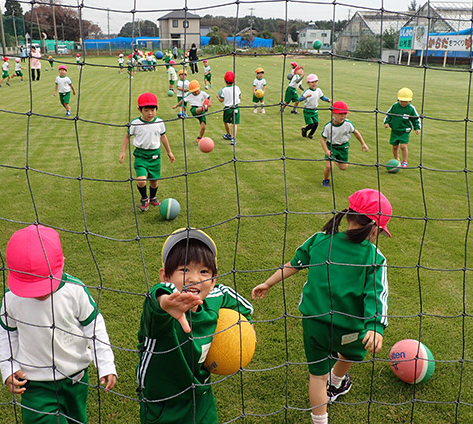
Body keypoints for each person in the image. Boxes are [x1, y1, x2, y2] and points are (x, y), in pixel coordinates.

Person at [251, 188, 391, 424]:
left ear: (348, 216)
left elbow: (294, 264)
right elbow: (376, 294)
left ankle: (323, 413)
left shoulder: (319, 240)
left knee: (317, 377)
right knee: (349, 352)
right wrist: (376, 326)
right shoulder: (375, 258)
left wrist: (268, 283)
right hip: (350, 327)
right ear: (375, 229)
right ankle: (336, 382)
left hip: (314, 323)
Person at [0, 224, 117, 424]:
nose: (39, 292)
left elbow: (94, 326)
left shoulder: (75, 290)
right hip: (34, 383)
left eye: (44, 284)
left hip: (75, 378)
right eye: (30, 286)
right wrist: (8, 367)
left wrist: (105, 363)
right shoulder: (11, 298)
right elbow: (6, 333)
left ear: (62, 264)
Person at [137, 228, 254, 424]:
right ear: (165, 275)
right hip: (163, 403)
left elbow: (240, 304)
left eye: (203, 271)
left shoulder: (214, 298)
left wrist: (248, 327)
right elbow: (155, 299)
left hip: (201, 395)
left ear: (213, 280)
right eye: (184, 270)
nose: (194, 278)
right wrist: (165, 301)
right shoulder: (161, 314)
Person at [119, 93, 175, 212]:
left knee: (154, 182)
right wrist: (123, 152)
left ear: (156, 109)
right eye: (146, 110)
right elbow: (127, 137)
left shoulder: (159, 122)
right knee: (141, 180)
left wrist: (169, 152)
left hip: (155, 156)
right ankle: (144, 198)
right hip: (140, 156)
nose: (150, 113)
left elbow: (163, 137)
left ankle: (153, 197)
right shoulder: (135, 123)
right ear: (139, 110)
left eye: (153, 110)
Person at [320, 101, 369, 188]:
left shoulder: (348, 124)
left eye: (345, 113)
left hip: (343, 147)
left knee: (343, 167)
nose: (343, 116)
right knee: (329, 166)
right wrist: (326, 150)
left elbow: (356, 133)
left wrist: (363, 143)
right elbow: (323, 139)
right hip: (332, 147)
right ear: (333, 113)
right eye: (340, 114)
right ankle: (326, 179)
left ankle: (334, 160)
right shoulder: (328, 126)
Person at [383, 87, 421, 168]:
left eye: (405, 102)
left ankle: (404, 161)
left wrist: (417, 128)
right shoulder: (395, 106)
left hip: (405, 131)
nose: (403, 103)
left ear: (409, 101)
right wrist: (386, 123)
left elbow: (415, 119)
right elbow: (389, 115)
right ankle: (396, 160)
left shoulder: (411, 109)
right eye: (401, 101)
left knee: (403, 146)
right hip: (395, 130)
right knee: (395, 147)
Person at [299, 74, 330, 139]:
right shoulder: (307, 92)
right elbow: (299, 99)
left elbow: (322, 97)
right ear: (308, 83)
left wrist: (328, 100)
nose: (314, 84)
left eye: (315, 82)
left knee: (316, 124)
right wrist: (306, 97)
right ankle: (304, 129)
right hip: (308, 110)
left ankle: (310, 135)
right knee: (311, 124)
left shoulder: (318, 90)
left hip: (315, 110)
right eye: (312, 82)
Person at [217, 71, 241, 145]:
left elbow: (221, 100)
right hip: (236, 107)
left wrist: (218, 97)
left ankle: (229, 135)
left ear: (224, 80)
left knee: (226, 121)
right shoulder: (237, 88)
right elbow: (240, 96)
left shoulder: (223, 90)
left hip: (228, 108)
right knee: (235, 123)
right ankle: (233, 138)